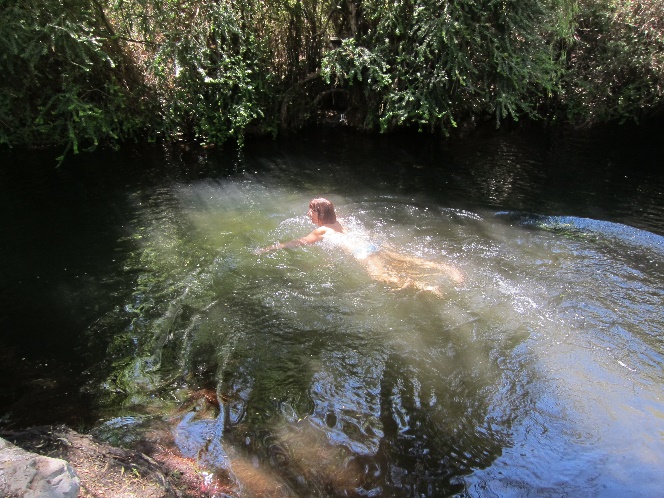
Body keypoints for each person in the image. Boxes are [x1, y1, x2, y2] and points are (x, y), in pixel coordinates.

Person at [257, 197, 463, 294]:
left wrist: (271, 248)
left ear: (320, 214)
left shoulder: (321, 230)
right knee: (404, 260)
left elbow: (298, 242)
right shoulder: (339, 223)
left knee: (380, 276)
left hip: (361, 252)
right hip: (372, 244)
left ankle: (426, 286)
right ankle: (446, 268)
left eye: (311, 211)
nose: (308, 214)